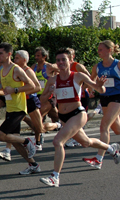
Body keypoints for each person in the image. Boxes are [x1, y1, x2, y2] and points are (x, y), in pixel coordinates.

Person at [39, 48, 119, 187]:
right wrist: (50, 93)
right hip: (63, 116)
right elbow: (42, 99)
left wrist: (100, 86)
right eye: (58, 60)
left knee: (58, 141)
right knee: (86, 142)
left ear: (70, 61)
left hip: (77, 114)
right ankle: (112, 149)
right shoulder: (52, 80)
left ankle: (55, 176)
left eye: (64, 59)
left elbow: (99, 89)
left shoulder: (78, 76)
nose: (61, 62)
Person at [0, 42, 40, 175]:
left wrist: (16, 89)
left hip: (19, 108)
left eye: (0, 53)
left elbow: (32, 86)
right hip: (10, 109)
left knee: (0, 134)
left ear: (8, 54)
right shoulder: (2, 71)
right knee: (13, 141)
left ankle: (28, 141)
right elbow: (6, 91)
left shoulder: (16, 69)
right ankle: (33, 164)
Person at [83, 40, 120, 169]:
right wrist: (91, 89)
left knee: (104, 126)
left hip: (117, 98)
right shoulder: (97, 67)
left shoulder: (118, 65)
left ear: (109, 50)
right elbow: (91, 81)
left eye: (101, 49)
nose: (98, 52)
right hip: (104, 97)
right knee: (117, 129)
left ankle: (99, 159)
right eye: (98, 50)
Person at [30, 47, 59, 123]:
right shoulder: (34, 67)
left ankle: (39, 130)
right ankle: (60, 123)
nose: (36, 57)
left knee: (40, 112)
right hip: (38, 94)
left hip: (48, 94)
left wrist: (54, 68)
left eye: (38, 56)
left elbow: (62, 70)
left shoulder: (49, 66)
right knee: (54, 114)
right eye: (35, 56)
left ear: (44, 56)